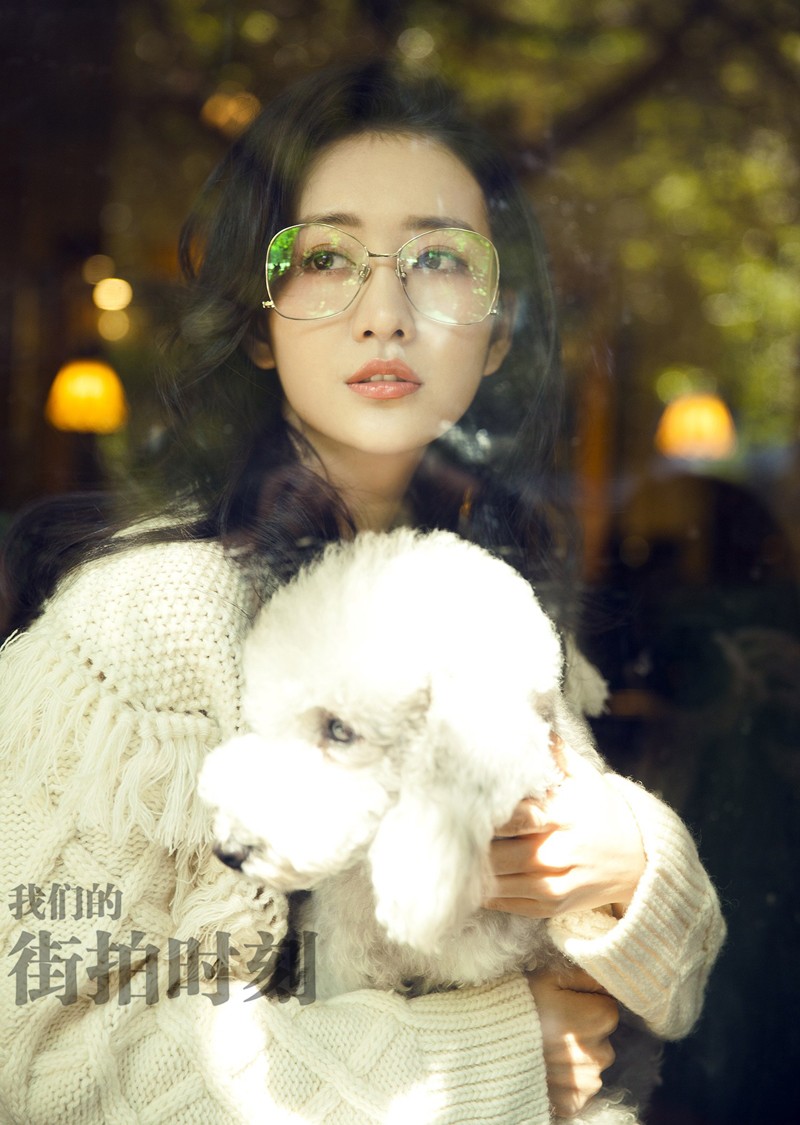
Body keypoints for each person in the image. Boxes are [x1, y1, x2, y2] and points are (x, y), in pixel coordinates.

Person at [0, 62, 724, 1124]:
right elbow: (31, 1066)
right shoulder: (137, 630)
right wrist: (483, 1058)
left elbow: (667, 997)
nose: (384, 312)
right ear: (258, 322)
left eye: (440, 259)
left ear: (498, 330)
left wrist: (633, 865)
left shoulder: (491, 605)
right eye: (324, 258)